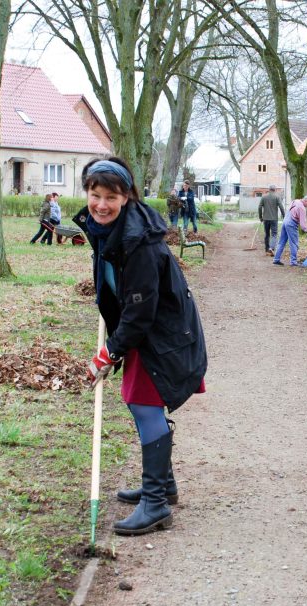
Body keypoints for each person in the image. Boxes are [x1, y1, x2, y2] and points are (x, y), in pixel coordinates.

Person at [74, 156, 208, 536]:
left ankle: (156, 504)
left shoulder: (139, 240)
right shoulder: (111, 229)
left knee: (143, 403)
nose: (100, 204)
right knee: (139, 401)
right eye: (94, 194)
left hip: (161, 335)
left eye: (110, 196)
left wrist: (109, 352)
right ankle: (162, 485)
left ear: (127, 196)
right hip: (147, 330)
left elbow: (141, 309)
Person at [272, 194, 307, 266]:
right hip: (291, 224)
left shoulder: (295, 201)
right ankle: (293, 262)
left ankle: (276, 259)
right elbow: (303, 223)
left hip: (285, 221)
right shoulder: (302, 208)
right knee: (294, 243)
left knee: (281, 242)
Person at [258, 184, 285, 256]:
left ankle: (267, 250)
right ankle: (272, 248)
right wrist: (284, 216)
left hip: (266, 219)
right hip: (274, 219)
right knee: (274, 234)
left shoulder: (264, 197)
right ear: (275, 190)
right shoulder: (277, 197)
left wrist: (260, 217)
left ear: (269, 189)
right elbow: (281, 207)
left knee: (267, 234)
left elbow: (260, 207)